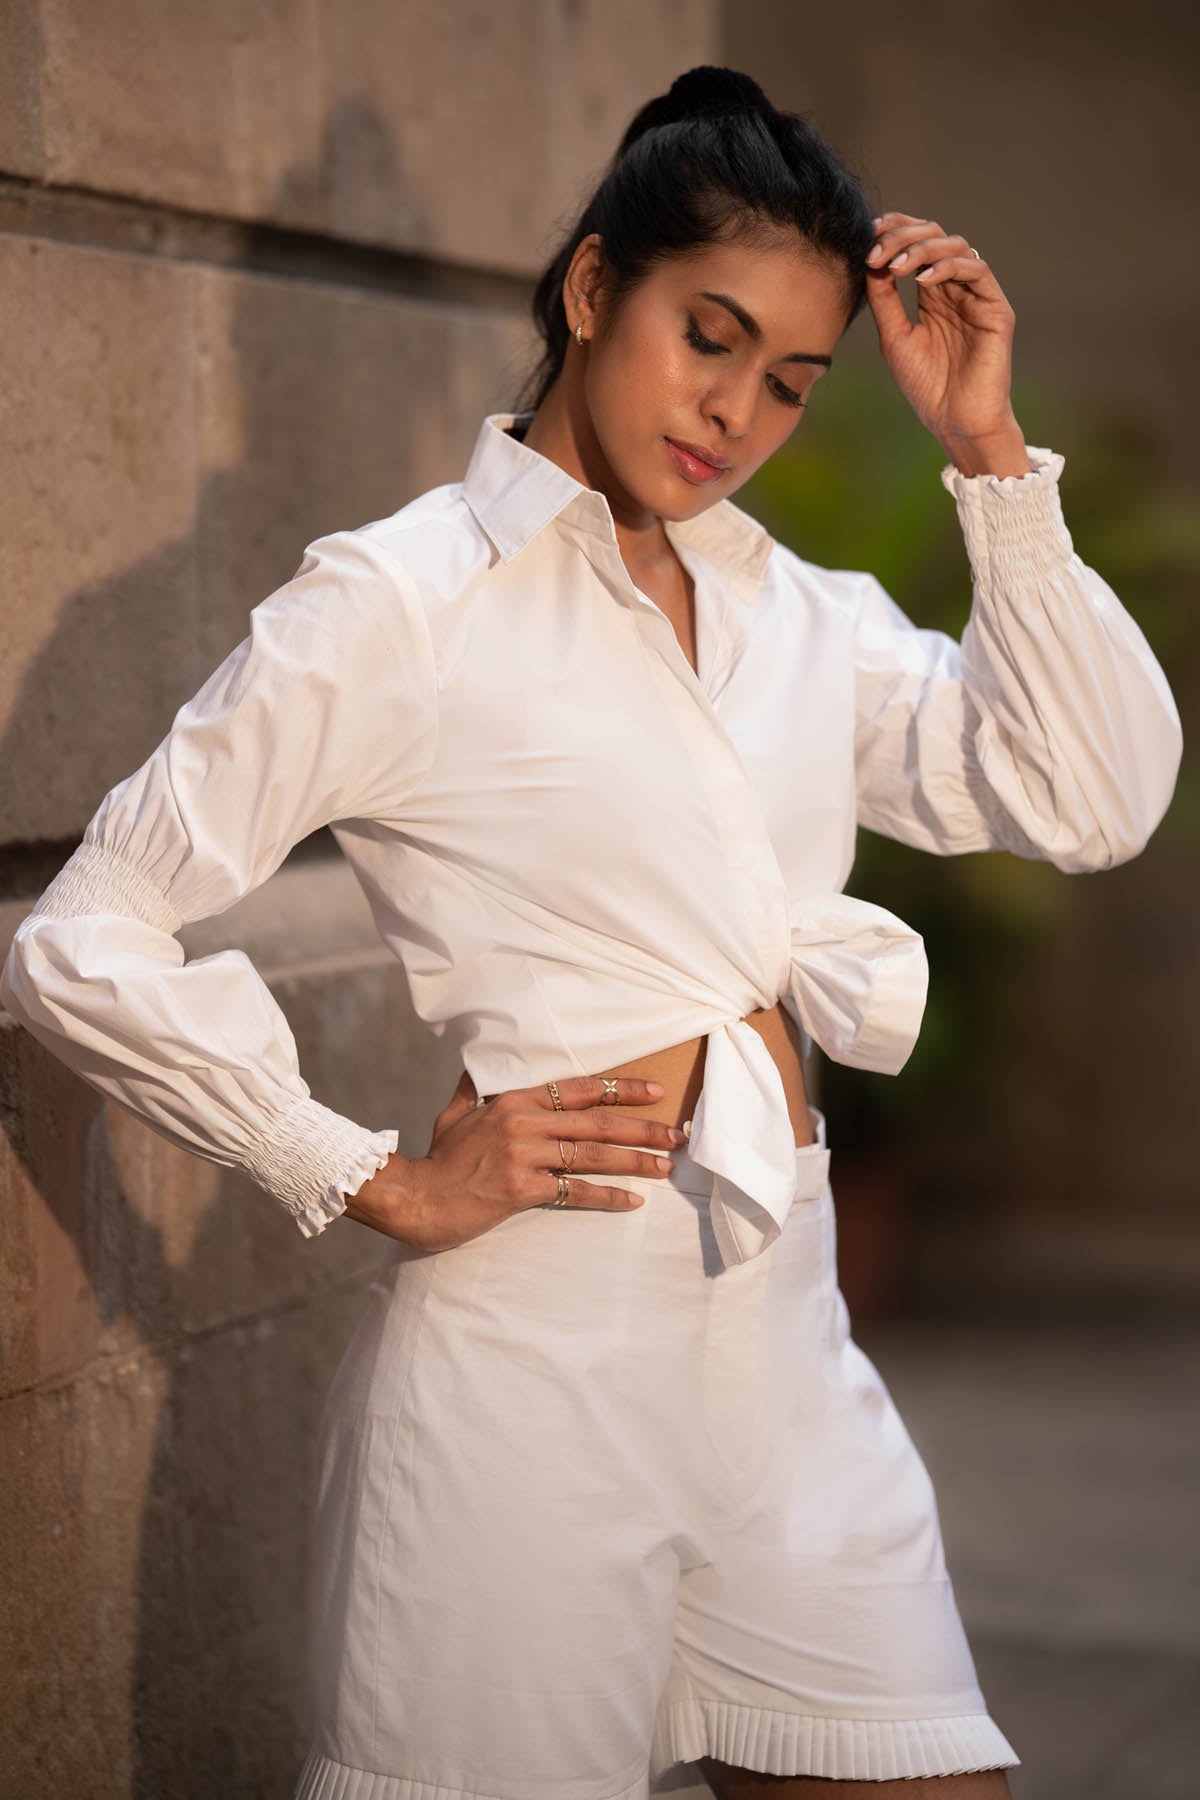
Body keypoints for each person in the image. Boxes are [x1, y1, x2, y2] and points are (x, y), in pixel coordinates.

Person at [0, 62, 1183, 1800]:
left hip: (787, 1355)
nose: (736, 414)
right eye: (707, 336)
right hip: (529, 1389)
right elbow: (82, 933)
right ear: (590, 288)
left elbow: (1093, 796)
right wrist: (366, 1171)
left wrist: (991, 457)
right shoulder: (401, 601)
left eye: (790, 381)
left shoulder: (791, 610)